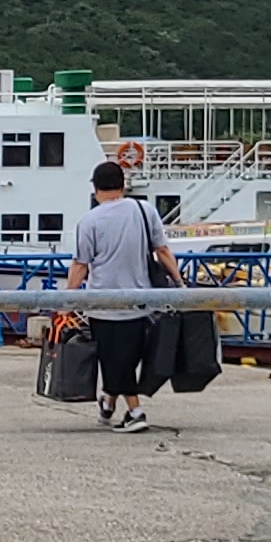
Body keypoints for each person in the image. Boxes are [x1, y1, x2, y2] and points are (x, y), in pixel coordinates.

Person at [66, 160, 176, 431]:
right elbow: (162, 250)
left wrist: (66, 301)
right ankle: (108, 403)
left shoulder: (89, 221)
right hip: (140, 300)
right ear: (123, 185)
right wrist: (179, 282)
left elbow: (80, 265)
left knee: (114, 359)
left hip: (102, 303)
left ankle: (136, 412)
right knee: (125, 358)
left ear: (95, 189)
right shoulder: (144, 210)